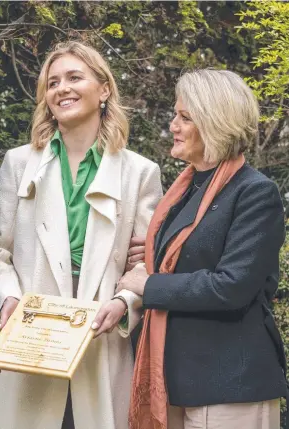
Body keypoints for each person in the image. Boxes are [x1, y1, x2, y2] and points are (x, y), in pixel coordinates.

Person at [0, 41, 163, 429]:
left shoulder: (141, 173)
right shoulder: (17, 163)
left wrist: (124, 302)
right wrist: (9, 296)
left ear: (104, 89)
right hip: (30, 337)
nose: (62, 88)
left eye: (74, 78)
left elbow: (148, 263)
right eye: (53, 82)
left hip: (100, 336)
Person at [116, 69, 288, 429]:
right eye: (175, 115)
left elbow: (232, 286)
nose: (173, 126)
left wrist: (147, 285)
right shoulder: (184, 191)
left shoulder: (255, 192)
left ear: (214, 122)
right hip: (177, 380)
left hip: (230, 382)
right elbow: (186, 258)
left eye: (184, 117)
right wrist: (151, 255)